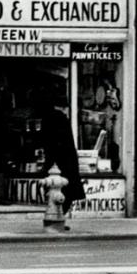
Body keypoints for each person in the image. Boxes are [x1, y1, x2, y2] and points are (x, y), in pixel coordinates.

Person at [34, 89, 85, 222]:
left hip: (55, 160)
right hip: (65, 160)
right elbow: (64, 142)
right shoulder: (62, 119)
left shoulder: (48, 119)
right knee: (68, 191)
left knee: (58, 190)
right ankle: (59, 217)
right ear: (64, 107)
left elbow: (47, 141)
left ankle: (56, 216)